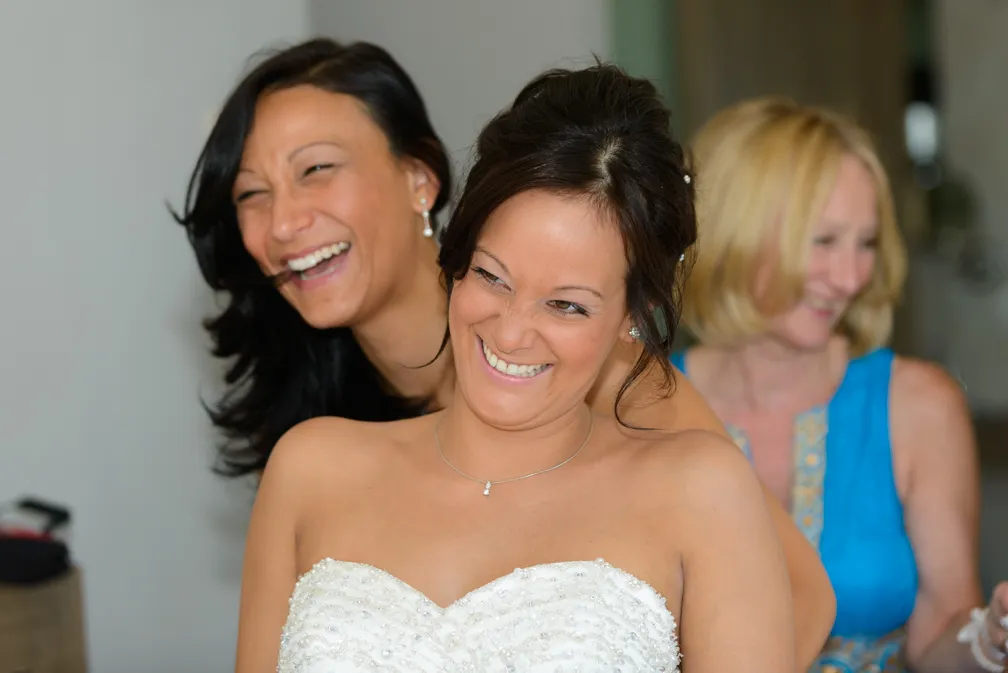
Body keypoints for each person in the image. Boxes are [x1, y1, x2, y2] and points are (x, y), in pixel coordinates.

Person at [172, 38, 834, 666]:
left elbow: (793, 593)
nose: (284, 223)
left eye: (316, 170)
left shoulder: (609, 377)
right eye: (251, 194)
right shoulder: (321, 438)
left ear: (420, 179)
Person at [674, 96, 1008, 672]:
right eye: (824, 242)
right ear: (735, 232)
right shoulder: (637, 403)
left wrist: (991, 636)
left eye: (867, 243)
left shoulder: (919, 404)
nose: (851, 277)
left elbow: (939, 644)